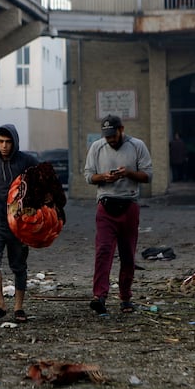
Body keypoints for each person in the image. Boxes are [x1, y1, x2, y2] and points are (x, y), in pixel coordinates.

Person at [84, 115, 153, 315]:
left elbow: (148, 175)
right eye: (107, 137)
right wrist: (103, 177)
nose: (111, 140)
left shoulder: (137, 146)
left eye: (113, 136)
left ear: (121, 129)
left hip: (129, 204)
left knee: (128, 254)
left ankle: (125, 297)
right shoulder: (97, 147)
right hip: (105, 205)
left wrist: (128, 173)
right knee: (103, 251)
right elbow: (88, 176)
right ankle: (99, 296)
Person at [0, 124, 39, 324]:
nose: (4, 146)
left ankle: (19, 307)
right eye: (0, 141)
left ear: (15, 142)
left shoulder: (27, 161)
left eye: (8, 141)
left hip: (19, 226)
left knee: (19, 267)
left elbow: (42, 183)